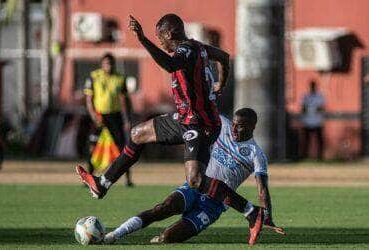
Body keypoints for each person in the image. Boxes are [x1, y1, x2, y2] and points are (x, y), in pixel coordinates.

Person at [76, 14, 264, 244]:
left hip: (201, 123)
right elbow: (224, 57)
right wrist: (220, 85)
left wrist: (144, 40)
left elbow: (170, 64)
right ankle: (102, 183)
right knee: (137, 133)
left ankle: (250, 212)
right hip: (184, 118)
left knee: (195, 180)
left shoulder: (186, 51)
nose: (160, 42)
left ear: (169, 34)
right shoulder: (199, 48)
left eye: (160, 37)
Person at [103, 109, 285, 245]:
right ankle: (115, 234)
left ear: (253, 127)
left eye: (241, 126)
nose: (234, 129)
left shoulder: (256, 154)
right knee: (163, 208)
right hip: (195, 187)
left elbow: (262, 189)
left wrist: (266, 216)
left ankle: (159, 239)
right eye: (234, 124)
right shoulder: (222, 125)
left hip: (214, 205)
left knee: (168, 238)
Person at [84, 53, 133, 186]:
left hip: (115, 116)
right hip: (99, 116)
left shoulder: (120, 78)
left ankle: (127, 179)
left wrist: (127, 119)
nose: (108, 66)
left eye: (111, 63)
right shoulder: (94, 77)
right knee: (92, 147)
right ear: (102, 64)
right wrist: (93, 115)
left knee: (123, 148)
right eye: (106, 63)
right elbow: (89, 99)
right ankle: (89, 177)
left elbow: (125, 100)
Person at [301, 81, 325, 160]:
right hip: (307, 122)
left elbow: (321, 108)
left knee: (319, 141)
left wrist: (310, 108)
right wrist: (313, 108)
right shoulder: (306, 96)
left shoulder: (319, 96)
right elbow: (302, 108)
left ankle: (320, 157)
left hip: (317, 122)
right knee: (306, 141)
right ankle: (305, 157)